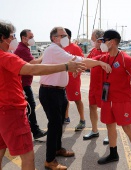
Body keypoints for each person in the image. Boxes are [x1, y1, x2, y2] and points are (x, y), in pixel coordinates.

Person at [0, 21, 86, 170]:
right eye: (12, 36)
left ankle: (56, 149)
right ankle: (51, 159)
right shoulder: (6, 57)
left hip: (4, 111)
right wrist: (66, 66)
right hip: (11, 112)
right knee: (27, 157)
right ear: (3, 37)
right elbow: (32, 69)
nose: (14, 39)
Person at [39, 26, 112, 170]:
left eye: (66, 35)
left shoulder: (59, 50)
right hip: (50, 92)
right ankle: (49, 160)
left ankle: (57, 148)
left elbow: (73, 63)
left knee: (59, 123)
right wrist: (99, 62)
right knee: (54, 125)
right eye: (63, 35)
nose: (66, 37)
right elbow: (80, 61)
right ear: (54, 38)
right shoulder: (54, 49)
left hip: (59, 91)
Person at [94, 29, 131, 170]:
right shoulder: (104, 57)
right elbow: (89, 62)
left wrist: (128, 92)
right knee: (110, 125)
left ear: (113, 42)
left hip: (121, 100)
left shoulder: (125, 59)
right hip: (107, 99)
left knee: (127, 127)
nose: (102, 43)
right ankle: (113, 153)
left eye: (104, 40)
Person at [14, 29, 47, 140]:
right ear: (24, 38)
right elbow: (33, 64)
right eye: (31, 36)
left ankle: (31, 130)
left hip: (24, 83)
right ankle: (34, 131)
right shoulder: (22, 49)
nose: (33, 39)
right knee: (30, 107)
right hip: (23, 84)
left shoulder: (23, 48)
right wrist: (43, 55)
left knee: (29, 107)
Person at [83, 29, 109, 144]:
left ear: (100, 40)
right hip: (93, 85)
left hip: (104, 86)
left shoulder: (107, 51)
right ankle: (94, 130)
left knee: (106, 109)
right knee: (92, 106)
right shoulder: (93, 51)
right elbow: (86, 62)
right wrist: (78, 69)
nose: (92, 42)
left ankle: (110, 133)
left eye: (93, 40)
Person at [64, 28, 85, 131]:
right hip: (62, 78)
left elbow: (82, 61)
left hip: (73, 78)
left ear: (67, 36)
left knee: (77, 99)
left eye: (62, 35)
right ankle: (66, 117)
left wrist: (78, 72)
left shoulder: (75, 48)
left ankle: (82, 120)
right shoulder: (59, 48)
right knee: (64, 99)